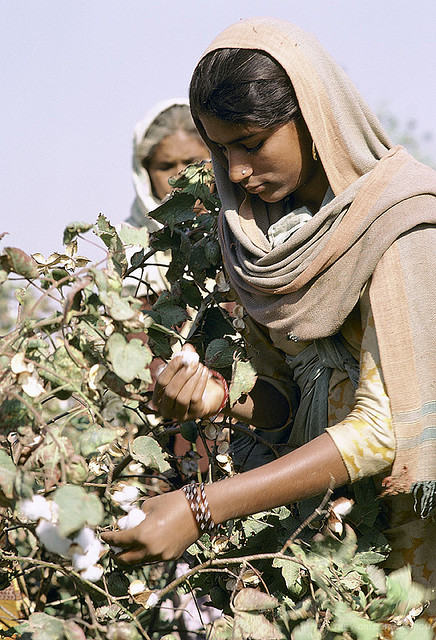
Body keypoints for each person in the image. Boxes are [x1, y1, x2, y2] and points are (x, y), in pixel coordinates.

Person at [103, 18, 436, 608]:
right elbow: (286, 399)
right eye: (220, 147)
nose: (232, 172)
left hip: (410, 560)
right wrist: (222, 397)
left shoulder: (405, 222)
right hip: (318, 556)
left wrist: (201, 507)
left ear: (312, 119)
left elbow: (386, 429)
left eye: (252, 144)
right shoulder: (255, 244)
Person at [124, 98, 209, 297]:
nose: (180, 176)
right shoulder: (126, 245)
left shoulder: (243, 231)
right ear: (145, 174)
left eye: (191, 162)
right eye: (165, 166)